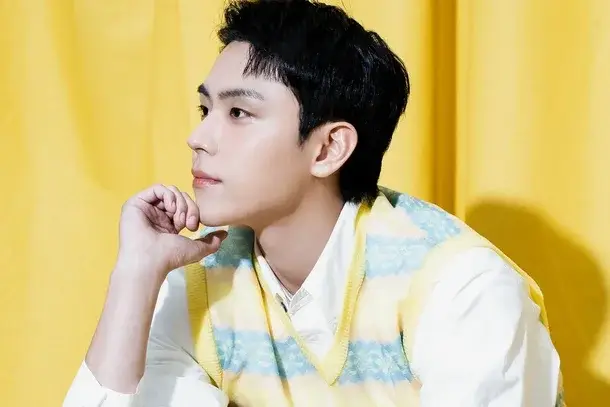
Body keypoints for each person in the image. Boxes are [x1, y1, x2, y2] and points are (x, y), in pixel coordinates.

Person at [63, 0, 563, 406]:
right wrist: (135, 273)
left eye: (239, 113)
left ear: (327, 149)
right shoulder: (201, 285)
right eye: (205, 108)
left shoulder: (460, 288)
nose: (198, 137)